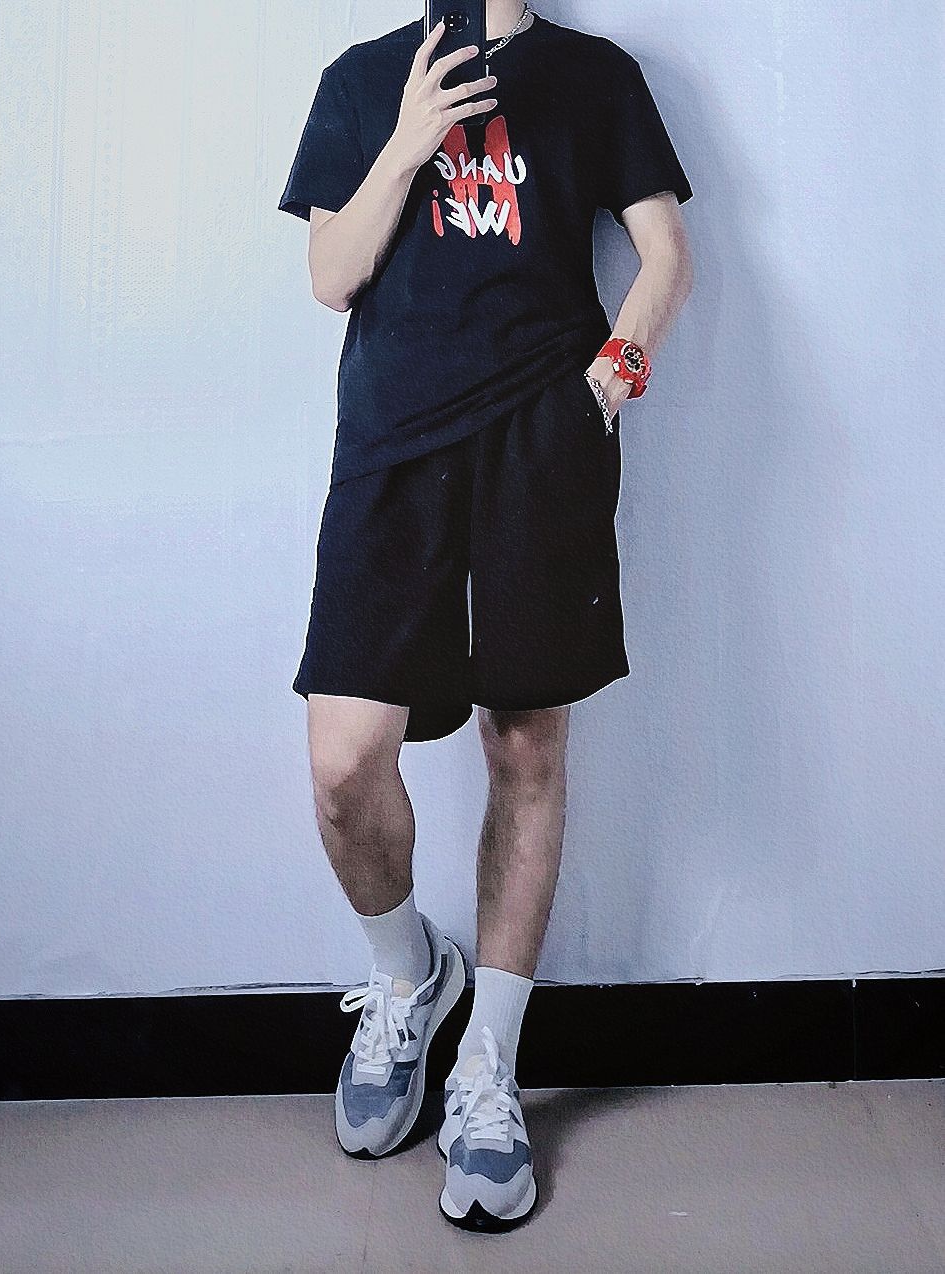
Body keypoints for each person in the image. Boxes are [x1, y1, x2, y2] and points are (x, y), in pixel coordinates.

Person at [278, 0, 694, 1232]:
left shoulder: (593, 76)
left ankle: (488, 1066)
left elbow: (663, 254)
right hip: (391, 449)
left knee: (524, 746)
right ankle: (409, 977)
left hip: (538, 440)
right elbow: (329, 276)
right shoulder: (361, 80)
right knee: (344, 762)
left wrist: (607, 384)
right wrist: (410, 138)